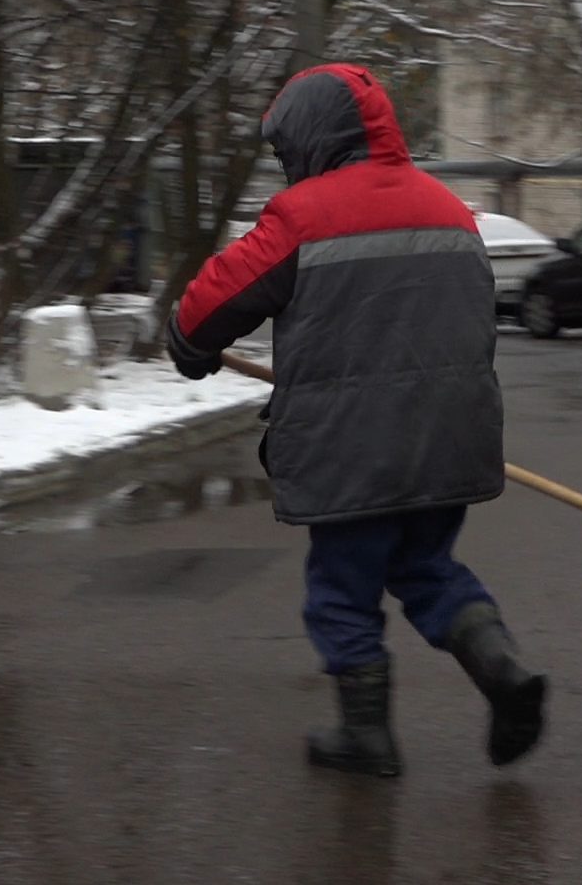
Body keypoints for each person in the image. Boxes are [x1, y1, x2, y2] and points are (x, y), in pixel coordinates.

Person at [166, 62, 547, 777]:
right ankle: (501, 670)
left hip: (352, 446)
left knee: (342, 587)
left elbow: (212, 303)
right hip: (451, 439)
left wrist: (190, 345)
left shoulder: (302, 215)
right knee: (426, 567)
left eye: (287, 151)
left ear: (314, 138)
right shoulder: (451, 211)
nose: (287, 166)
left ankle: (366, 736)